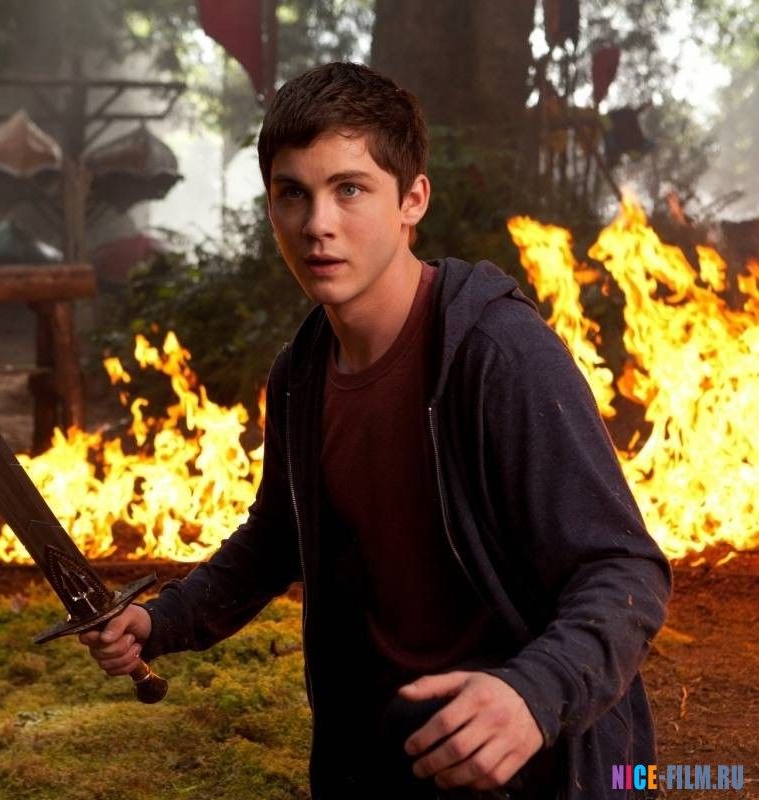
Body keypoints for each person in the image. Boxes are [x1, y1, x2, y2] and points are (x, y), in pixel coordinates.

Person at [79, 62, 671, 799]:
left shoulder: (497, 356)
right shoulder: (300, 374)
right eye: (292, 194)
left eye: (349, 189)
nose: (317, 225)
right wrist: (160, 621)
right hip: (380, 756)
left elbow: (624, 569)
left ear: (411, 199)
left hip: (532, 764)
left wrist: (533, 694)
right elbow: (277, 537)